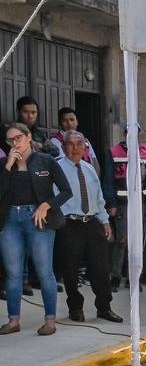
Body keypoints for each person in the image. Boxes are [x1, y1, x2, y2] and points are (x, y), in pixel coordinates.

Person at [0, 122, 73, 335]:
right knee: (13, 274)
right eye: (10, 140)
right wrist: (8, 166)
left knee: (44, 271)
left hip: (38, 218)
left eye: (18, 138)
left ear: (28, 137)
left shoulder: (46, 161)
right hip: (11, 220)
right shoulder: (5, 163)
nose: (15, 143)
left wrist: (46, 204)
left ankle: (50, 321)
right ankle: (14, 321)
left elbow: (66, 191)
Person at [54, 131, 120, 323]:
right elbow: (53, 197)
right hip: (70, 224)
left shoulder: (89, 169)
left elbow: (98, 198)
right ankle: (75, 308)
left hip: (92, 223)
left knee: (100, 268)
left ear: (85, 146)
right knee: (70, 269)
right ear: (64, 146)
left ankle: (104, 307)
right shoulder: (57, 168)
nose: (75, 148)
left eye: (79, 143)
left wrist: (105, 221)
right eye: (71, 144)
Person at [108, 135, 146, 288]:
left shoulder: (144, 152)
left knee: (137, 243)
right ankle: (115, 276)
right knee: (121, 241)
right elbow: (108, 180)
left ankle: (133, 278)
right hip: (122, 203)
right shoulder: (114, 151)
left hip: (141, 204)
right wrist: (111, 203)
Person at [48, 107, 101, 172]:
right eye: (65, 120)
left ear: (77, 122)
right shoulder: (55, 141)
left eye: (72, 120)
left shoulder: (85, 141)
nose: (69, 123)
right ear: (60, 124)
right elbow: (62, 165)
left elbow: (94, 162)